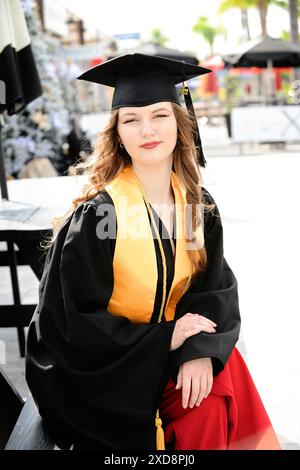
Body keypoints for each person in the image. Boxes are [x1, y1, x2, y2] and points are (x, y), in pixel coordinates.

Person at [25, 53, 281, 451]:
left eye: (160, 115)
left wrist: (197, 350)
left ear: (180, 123)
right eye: (131, 119)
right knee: (211, 397)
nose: (147, 129)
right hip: (102, 375)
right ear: (118, 133)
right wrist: (164, 339)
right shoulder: (101, 216)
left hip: (164, 358)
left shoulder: (194, 206)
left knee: (215, 388)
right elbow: (69, 326)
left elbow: (210, 287)